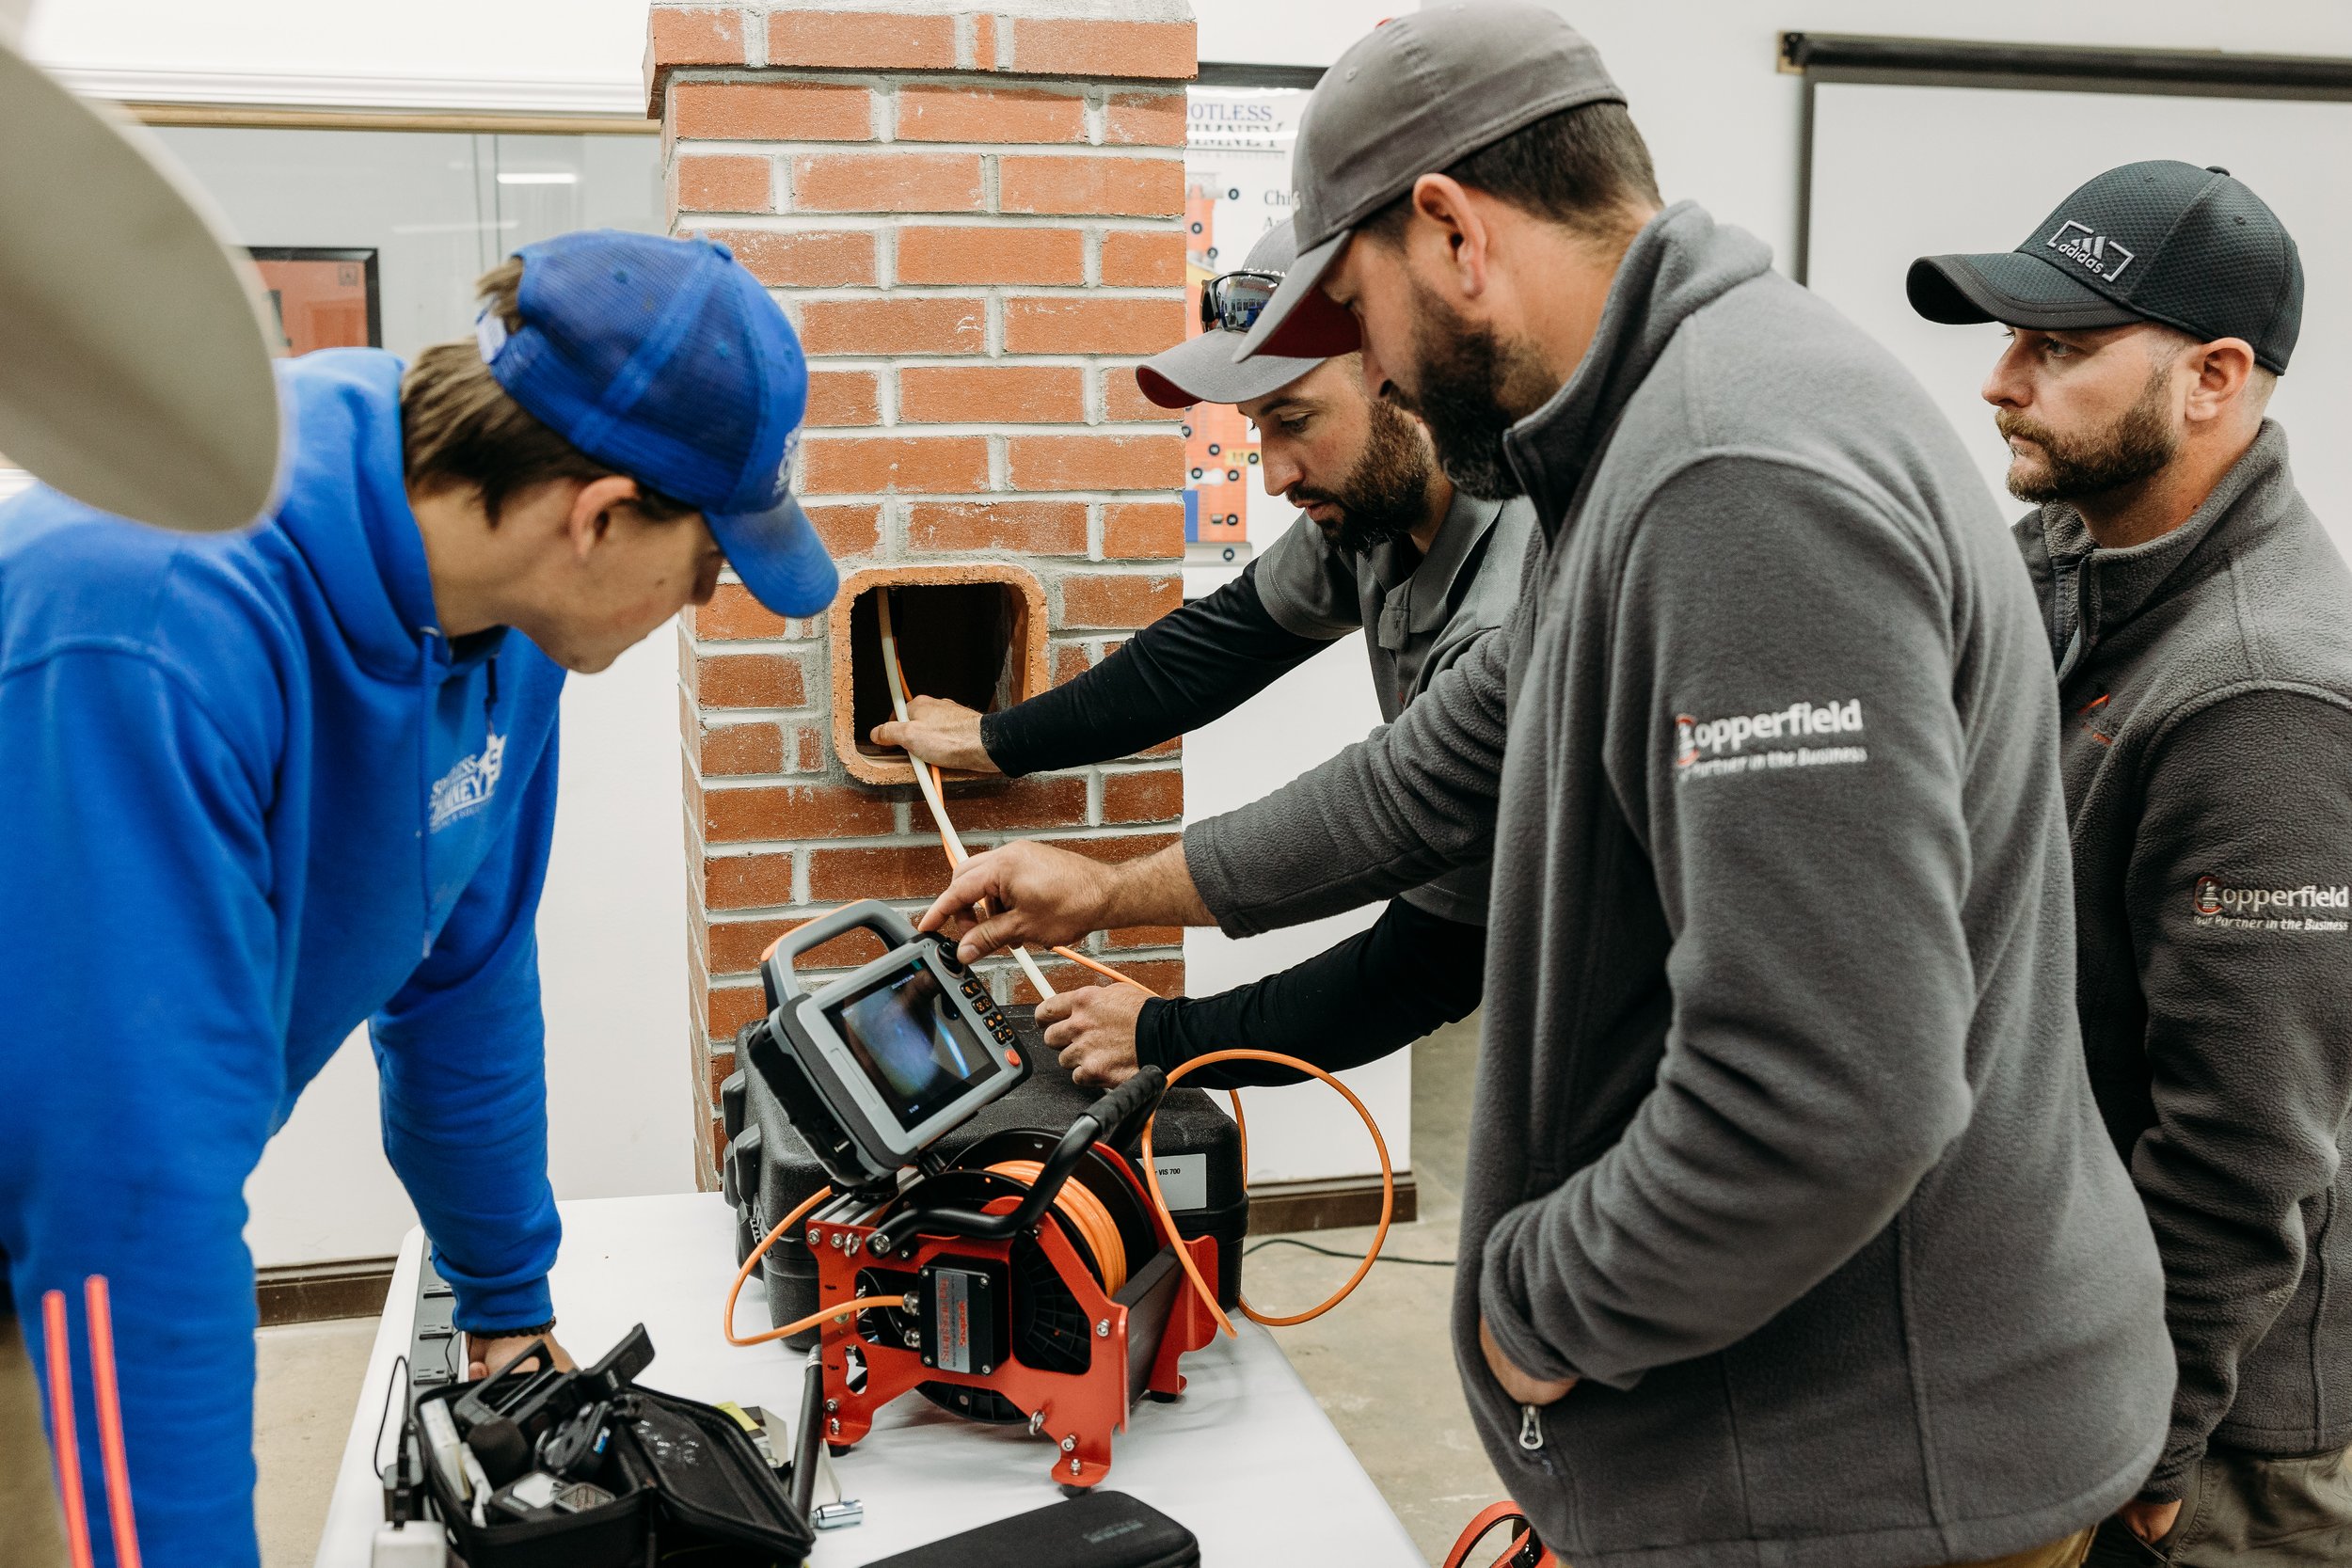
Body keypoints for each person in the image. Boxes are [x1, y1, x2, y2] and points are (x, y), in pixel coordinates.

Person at [914, 6, 2174, 1565]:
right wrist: (1119, 886)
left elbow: (1827, 1095)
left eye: (1354, 307)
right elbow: (1428, 776)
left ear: (1448, 231)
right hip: (1814, 1445)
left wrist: (1536, 1306)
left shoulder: (1734, 477)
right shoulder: (1638, 442)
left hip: (1884, 1476)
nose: (1359, 361)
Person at [0, 230, 838, 1568]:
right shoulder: (149, 618)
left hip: (88, 1192)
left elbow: (464, 972)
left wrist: (507, 1304)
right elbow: (126, 1187)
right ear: (601, 515)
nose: (701, 603)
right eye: (704, 570)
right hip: (56, 1202)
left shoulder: (507, 633)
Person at [1911, 163, 2352, 1566]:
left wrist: (2148, 1443)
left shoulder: (2259, 687)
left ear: (2214, 376)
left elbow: (2248, 1135)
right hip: (2065, 1353)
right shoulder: (2066, 566)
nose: (2001, 381)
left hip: (2224, 1447)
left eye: (2059, 346)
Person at [873, 218, 1534, 1091]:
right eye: (1260, 428)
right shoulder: (1372, 516)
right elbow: (1211, 649)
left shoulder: (1516, 606)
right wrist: (997, 739)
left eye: (1294, 420)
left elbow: (1421, 941)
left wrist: (1168, 1030)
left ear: (1408, 374)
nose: (1274, 474)